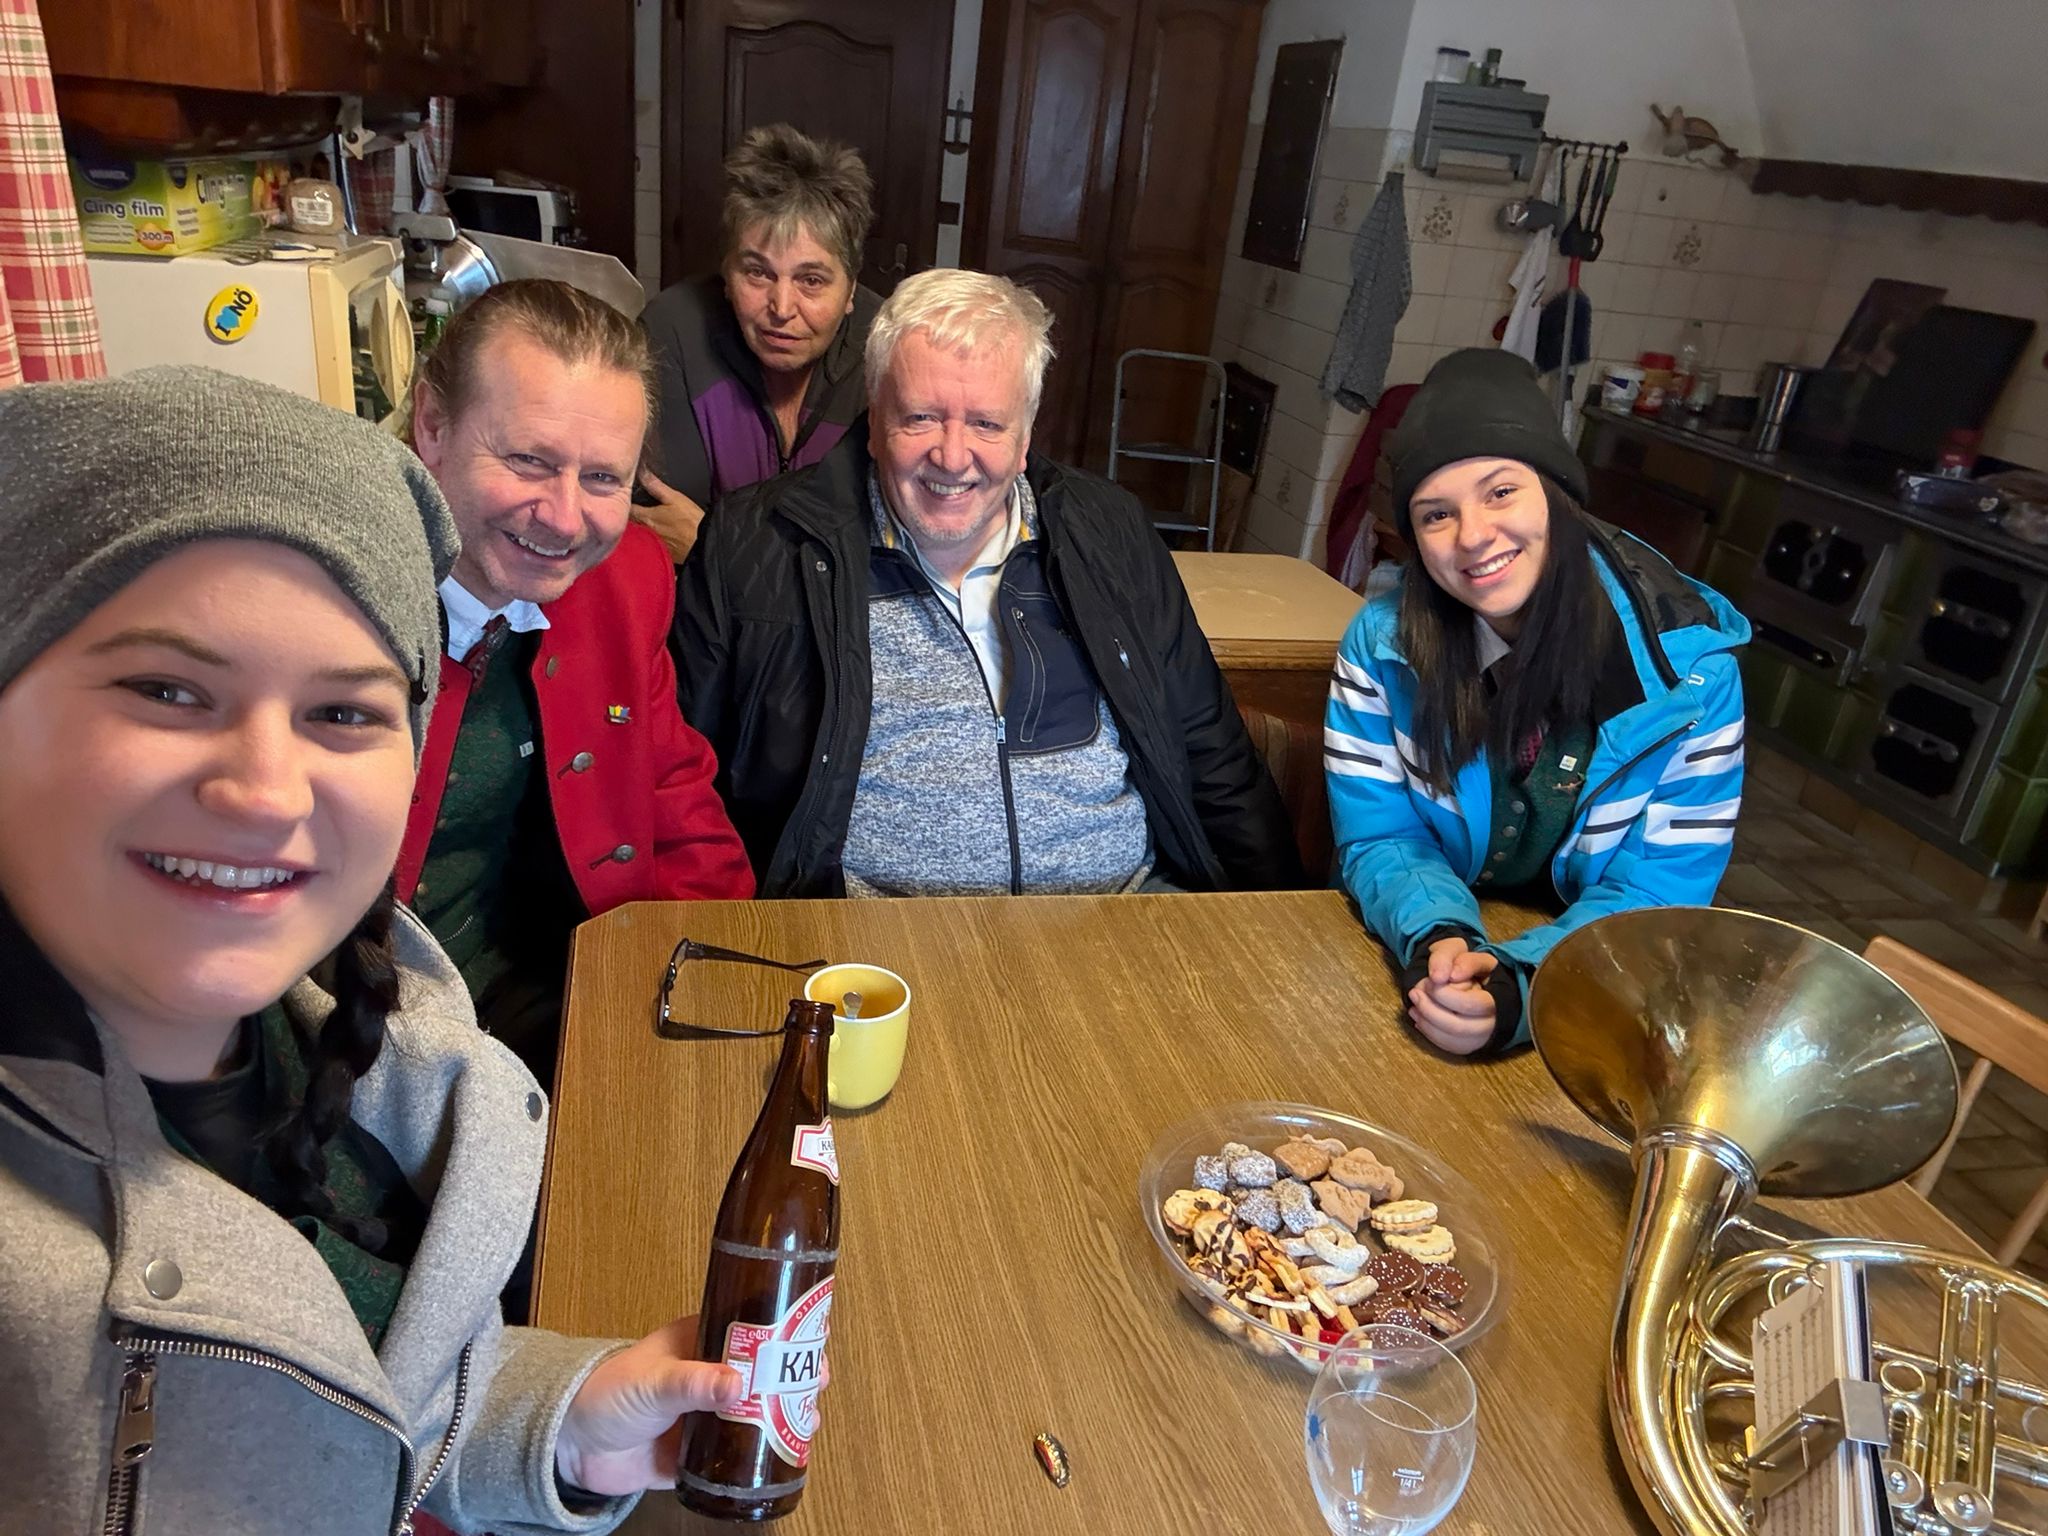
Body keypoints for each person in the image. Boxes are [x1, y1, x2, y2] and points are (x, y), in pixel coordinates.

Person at [0, 367, 747, 1533]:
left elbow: (345, 1380)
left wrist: (552, 1423)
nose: (265, 790)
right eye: (168, 690)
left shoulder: (333, 1058)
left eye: (342, 712)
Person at [674, 268, 1303, 898]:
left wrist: (1283, 915)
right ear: (875, 412)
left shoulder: (1109, 530)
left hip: (1126, 912)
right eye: (921, 417)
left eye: (986, 424)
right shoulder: (757, 542)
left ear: (1025, 435)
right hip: (876, 935)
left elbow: (1210, 749)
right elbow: (679, 776)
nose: (952, 457)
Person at [1324, 348, 1750, 1058]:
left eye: (1500, 492)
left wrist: (1523, 990)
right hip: (1429, 937)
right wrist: (1437, 937)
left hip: (1597, 977)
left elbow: (1656, 895)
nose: (1472, 536)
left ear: (1558, 496)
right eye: (1436, 514)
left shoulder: (1693, 678)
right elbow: (1379, 836)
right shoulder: (1383, 646)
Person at [404, 279, 753, 1089]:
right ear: (432, 425)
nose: (564, 519)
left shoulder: (627, 576)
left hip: (555, 1000)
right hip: (358, 1019)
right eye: (529, 460)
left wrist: (718, 969)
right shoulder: (324, 596)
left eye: (602, 479)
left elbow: (670, 787)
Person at [637, 124, 881, 563]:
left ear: (850, 290)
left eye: (811, 280)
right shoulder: (672, 331)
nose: (782, 307)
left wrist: (710, 547)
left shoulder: (887, 349)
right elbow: (659, 519)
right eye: (757, 272)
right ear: (727, 274)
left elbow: (877, 551)